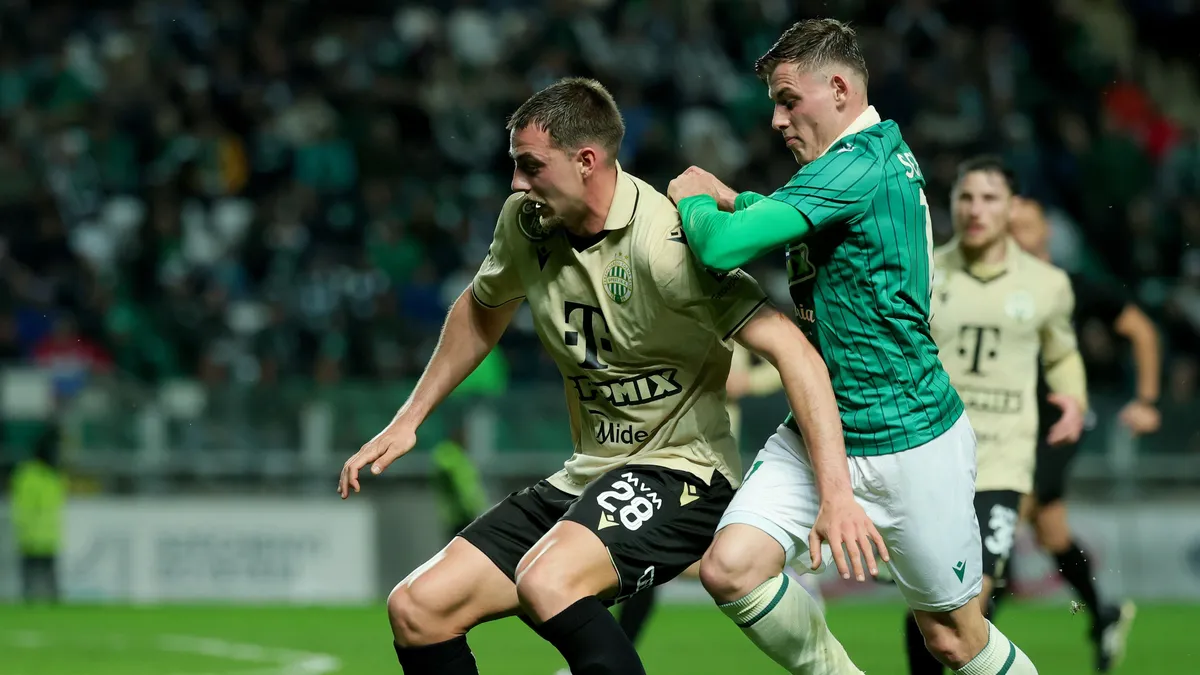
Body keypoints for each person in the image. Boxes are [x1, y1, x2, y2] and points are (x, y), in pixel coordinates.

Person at [338, 77, 866, 675]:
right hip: (589, 473)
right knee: (418, 608)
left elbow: (795, 352)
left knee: (550, 580)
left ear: (586, 161)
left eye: (531, 166)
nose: (516, 184)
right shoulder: (526, 223)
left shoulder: (665, 243)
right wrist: (410, 419)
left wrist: (835, 494)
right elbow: (483, 307)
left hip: (684, 474)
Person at [667, 18, 1039, 675]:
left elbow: (721, 248)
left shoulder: (854, 165)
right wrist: (744, 200)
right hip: (823, 426)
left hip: (909, 437)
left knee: (953, 639)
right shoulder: (871, 155)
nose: (778, 120)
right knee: (731, 567)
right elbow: (826, 231)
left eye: (789, 100)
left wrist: (696, 200)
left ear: (838, 88)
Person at [899, 156, 1088, 674]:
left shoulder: (1047, 284)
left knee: (972, 597)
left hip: (1002, 461)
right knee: (931, 607)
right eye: (965, 197)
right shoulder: (923, 270)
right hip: (931, 454)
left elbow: (1063, 354)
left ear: (1012, 208)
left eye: (989, 198)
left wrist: (1073, 398)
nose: (975, 209)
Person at [1001, 196, 1145, 672]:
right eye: (1009, 227)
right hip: (1011, 425)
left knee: (1004, 515)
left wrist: (1146, 400)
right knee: (1051, 530)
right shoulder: (998, 287)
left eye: (1024, 226)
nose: (1014, 235)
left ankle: (976, 627)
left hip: (1060, 424)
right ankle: (1103, 614)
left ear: (1045, 232)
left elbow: (1141, 331)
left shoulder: (1072, 287)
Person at [10, 424, 68, 602]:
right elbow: (22, 508)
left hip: (49, 539)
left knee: (52, 590)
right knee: (31, 588)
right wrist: (26, 530)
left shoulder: (54, 476)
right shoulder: (28, 475)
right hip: (30, 539)